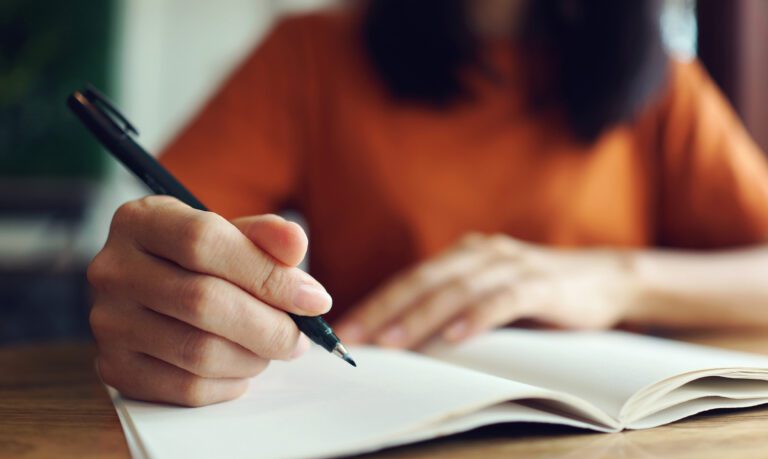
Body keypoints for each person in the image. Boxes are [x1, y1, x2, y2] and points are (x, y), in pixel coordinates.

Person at [88, 0, 768, 406]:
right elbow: (182, 231)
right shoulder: (308, 56)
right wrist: (169, 286)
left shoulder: (667, 88)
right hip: (360, 440)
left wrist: (619, 278)